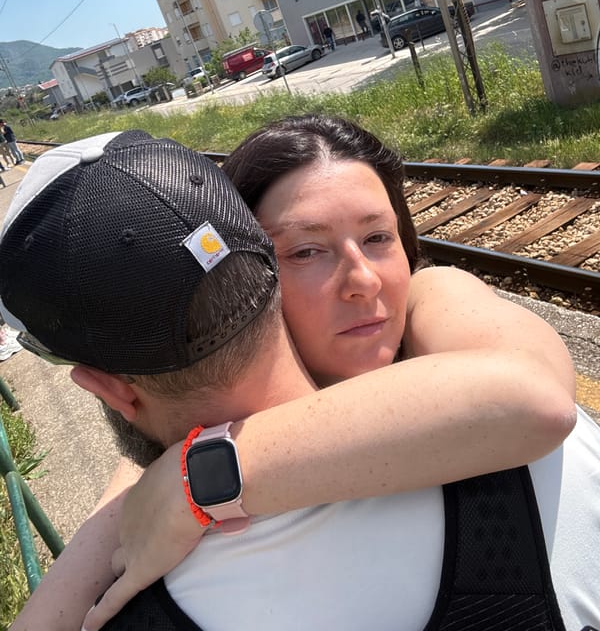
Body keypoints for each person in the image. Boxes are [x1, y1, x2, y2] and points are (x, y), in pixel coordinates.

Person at [3, 121, 591, 631]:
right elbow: (129, 496)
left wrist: (198, 480)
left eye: (379, 237)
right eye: (307, 252)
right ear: (249, 281)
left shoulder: (435, 304)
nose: (365, 280)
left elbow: (532, 395)